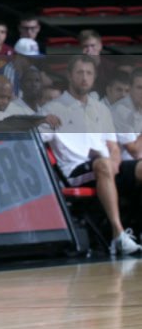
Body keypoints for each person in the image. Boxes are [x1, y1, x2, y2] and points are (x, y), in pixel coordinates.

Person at [47, 55, 142, 255]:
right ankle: (118, 236)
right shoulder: (53, 108)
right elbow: (38, 139)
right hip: (74, 173)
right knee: (102, 164)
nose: (84, 77)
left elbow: (113, 146)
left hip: (106, 168)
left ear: (95, 77)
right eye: (80, 72)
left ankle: (137, 228)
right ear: (69, 75)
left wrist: (115, 162)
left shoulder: (101, 108)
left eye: (89, 73)